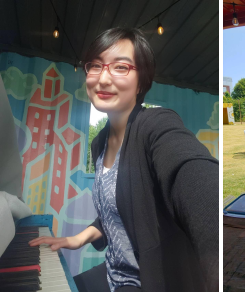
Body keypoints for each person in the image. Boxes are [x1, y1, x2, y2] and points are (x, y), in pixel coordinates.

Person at [28, 28, 219, 292]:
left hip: (149, 280)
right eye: (95, 65)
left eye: (120, 67)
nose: (103, 78)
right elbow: (116, 213)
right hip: (114, 271)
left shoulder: (156, 124)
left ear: (141, 83)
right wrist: (76, 239)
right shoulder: (99, 143)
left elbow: (195, 177)